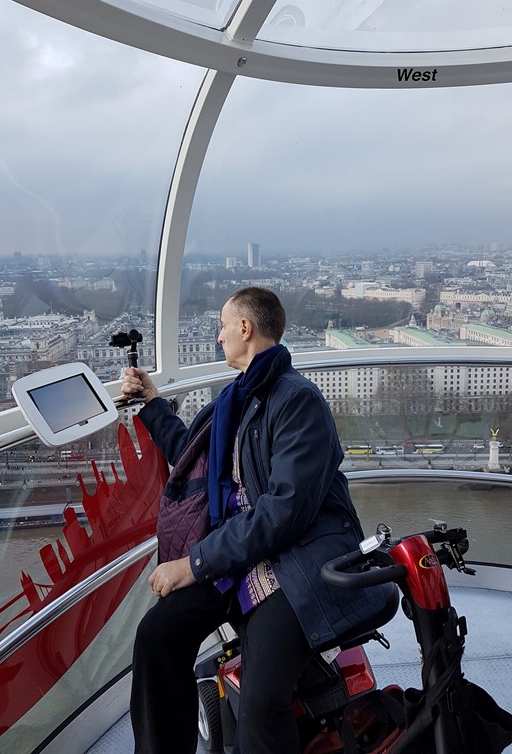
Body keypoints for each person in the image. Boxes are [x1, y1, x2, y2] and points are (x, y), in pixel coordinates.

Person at [121, 286, 386, 754]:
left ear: (245, 328)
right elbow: (194, 457)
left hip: (296, 563)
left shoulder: (296, 401)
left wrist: (192, 565)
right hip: (241, 559)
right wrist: (152, 405)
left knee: (263, 700)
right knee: (156, 637)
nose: (219, 336)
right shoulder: (237, 400)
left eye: (223, 325)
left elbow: (284, 513)